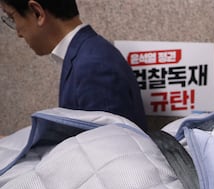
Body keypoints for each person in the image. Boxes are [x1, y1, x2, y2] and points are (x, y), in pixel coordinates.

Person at [0, 0, 147, 130]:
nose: (18, 33)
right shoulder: (86, 54)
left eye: (12, 17)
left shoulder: (93, 65)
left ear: (38, 13)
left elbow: (107, 146)